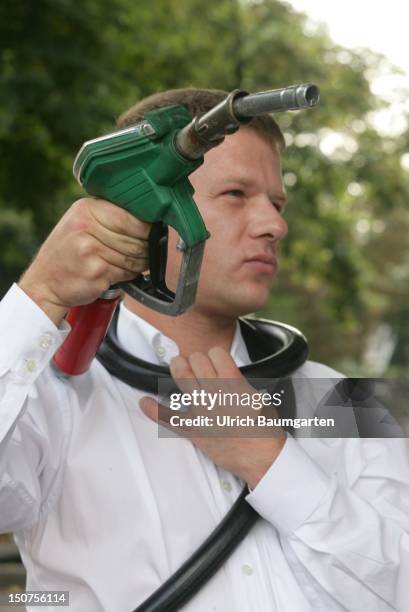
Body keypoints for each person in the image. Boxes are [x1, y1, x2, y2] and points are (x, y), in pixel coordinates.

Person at [0, 88, 408, 612]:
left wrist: (271, 461)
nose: (275, 225)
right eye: (237, 194)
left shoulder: (336, 399)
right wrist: (41, 296)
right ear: (139, 209)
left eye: (277, 203)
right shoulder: (51, 391)